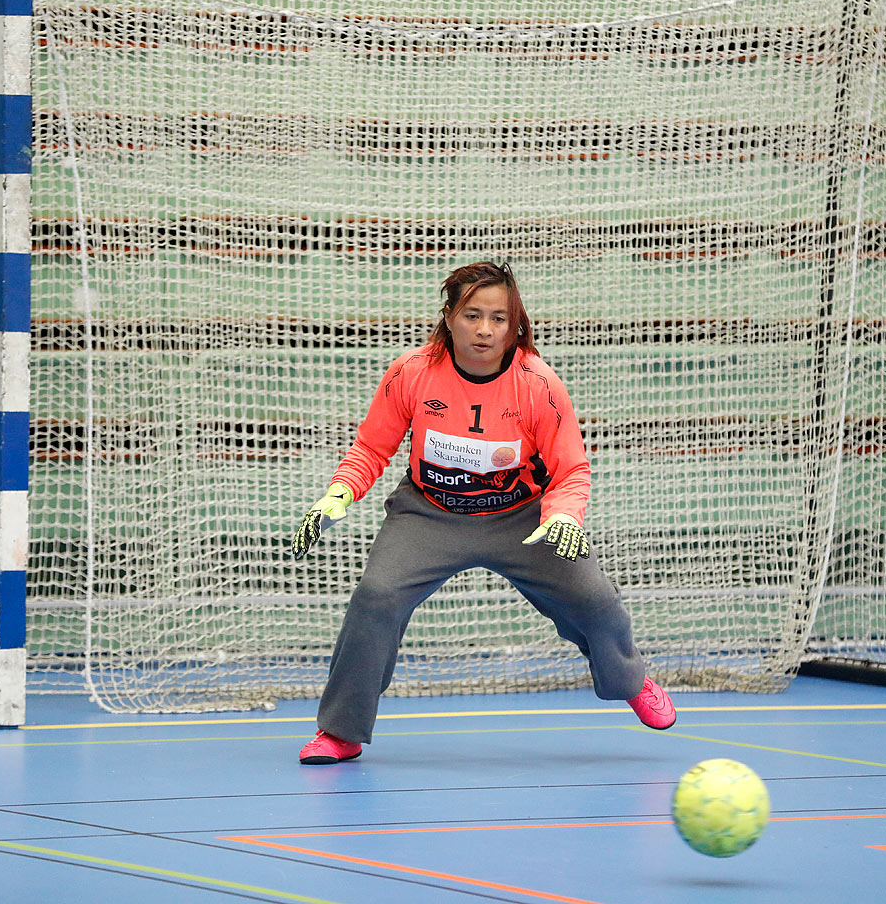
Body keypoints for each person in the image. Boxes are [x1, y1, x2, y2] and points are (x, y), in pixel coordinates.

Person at [290, 260, 676, 765]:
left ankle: (629, 680)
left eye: (498, 318)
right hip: (429, 514)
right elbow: (370, 449)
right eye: (473, 315)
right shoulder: (410, 372)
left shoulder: (538, 384)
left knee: (596, 601)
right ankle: (341, 731)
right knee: (375, 598)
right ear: (449, 317)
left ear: (515, 326)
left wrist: (562, 517)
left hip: (522, 519)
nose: (484, 329)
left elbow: (571, 469)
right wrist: (339, 493)